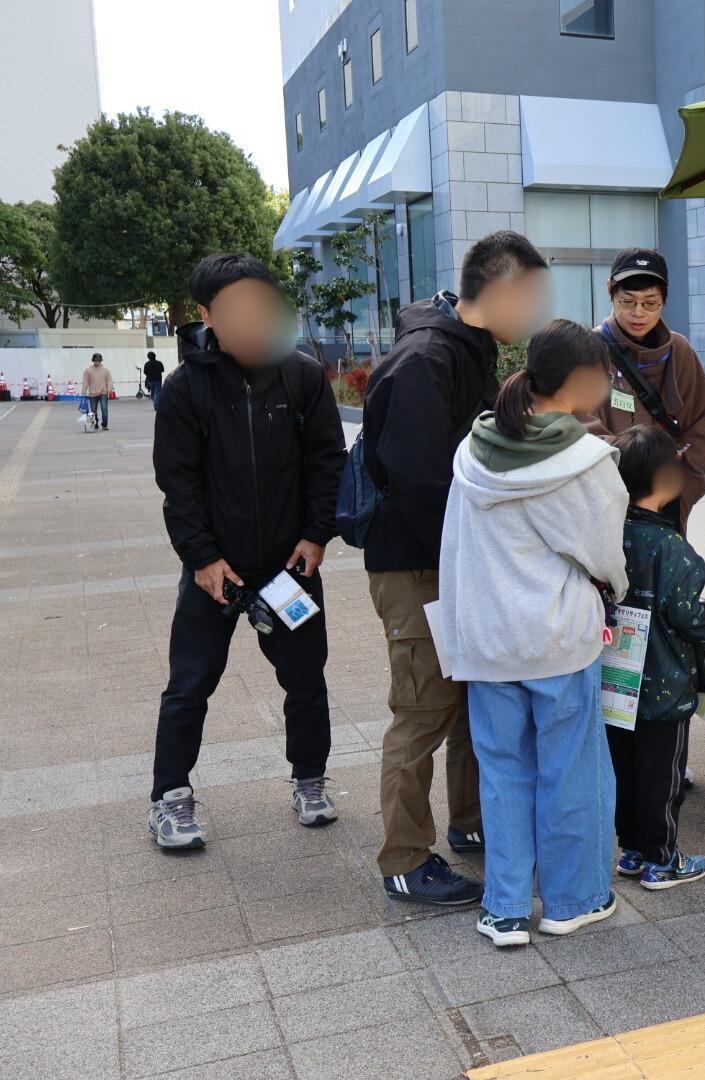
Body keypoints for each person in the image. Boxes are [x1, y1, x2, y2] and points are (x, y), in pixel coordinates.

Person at [362, 230, 551, 906]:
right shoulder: (426, 360)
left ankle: (475, 825)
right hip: (418, 566)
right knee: (422, 712)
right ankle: (406, 859)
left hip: (455, 562)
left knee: (474, 703)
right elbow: (418, 482)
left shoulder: (465, 351)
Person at [437, 319, 628, 947]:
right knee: (569, 769)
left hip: (488, 640)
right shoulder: (585, 462)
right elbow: (605, 556)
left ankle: (507, 907)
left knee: (501, 770)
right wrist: (615, 592)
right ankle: (573, 901)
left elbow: (456, 548)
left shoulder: (471, 451)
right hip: (556, 638)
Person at [148, 253, 346, 848]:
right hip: (217, 570)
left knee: (306, 678)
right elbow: (177, 482)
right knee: (190, 682)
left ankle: (310, 777)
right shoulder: (186, 388)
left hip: (289, 568)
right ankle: (170, 796)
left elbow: (327, 463)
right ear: (207, 315)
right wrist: (202, 558)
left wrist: (316, 536)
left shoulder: (303, 375)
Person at [608, 424, 705, 890]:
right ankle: (664, 858)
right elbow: (687, 615)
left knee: (624, 768)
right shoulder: (672, 549)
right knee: (664, 773)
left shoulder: (610, 535)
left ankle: (633, 850)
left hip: (617, 681)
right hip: (663, 686)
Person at [581, 248, 705, 534]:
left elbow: (699, 424)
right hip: (607, 505)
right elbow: (579, 424)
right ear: (610, 291)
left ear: (664, 300)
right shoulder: (588, 351)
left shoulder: (680, 352)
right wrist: (634, 465)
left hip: (666, 504)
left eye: (650, 303)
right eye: (627, 301)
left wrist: (681, 490)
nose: (638, 313)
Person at [82, 353, 112, 430]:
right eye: (95, 360)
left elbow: (109, 380)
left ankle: (104, 425)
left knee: (104, 409)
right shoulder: (88, 371)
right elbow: (85, 381)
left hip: (103, 393)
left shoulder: (105, 371)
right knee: (93, 411)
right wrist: (84, 392)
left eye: (98, 360)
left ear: (101, 361)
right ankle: (94, 424)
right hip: (93, 393)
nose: (97, 362)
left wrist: (109, 389)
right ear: (93, 361)